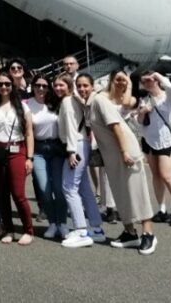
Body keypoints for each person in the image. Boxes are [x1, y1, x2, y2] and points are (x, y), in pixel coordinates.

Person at [89, 81, 157, 255]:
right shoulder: (89, 103)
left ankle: (148, 233)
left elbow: (116, 126)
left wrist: (124, 151)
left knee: (136, 191)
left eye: (85, 86)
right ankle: (129, 233)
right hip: (112, 155)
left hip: (125, 150)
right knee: (120, 193)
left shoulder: (99, 100)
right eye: (78, 86)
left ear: (92, 87)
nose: (81, 89)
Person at [0, 70, 34, 245]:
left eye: (7, 84)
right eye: (0, 84)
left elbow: (29, 134)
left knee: (18, 194)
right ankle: (9, 229)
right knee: (2, 193)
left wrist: (30, 158)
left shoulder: (22, 106)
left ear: (13, 86)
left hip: (17, 150)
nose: (4, 87)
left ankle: (28, 230)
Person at [58, 72, 105, 248]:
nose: (58, 87)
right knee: (84, 188)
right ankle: (97, 227)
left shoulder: (67, 102)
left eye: (62, 84)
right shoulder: (77, 101)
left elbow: (70, 128)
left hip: (75, 145)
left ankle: (81, 229)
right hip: (82, 143)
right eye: (56, 85)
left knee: (69, 187)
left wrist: (70, 151)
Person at [137, 71, 171, 225]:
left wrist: (156, 74)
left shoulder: (168, 98)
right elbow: (139, 121)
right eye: (143, 81)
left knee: (167, 176)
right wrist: (143, 111)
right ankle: (162, 209)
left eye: (149, 80)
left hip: (166, 141)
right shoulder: (144, 100)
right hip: (148, 140)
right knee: (156, 176)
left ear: (157, 80)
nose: (146, 83)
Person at [26, 73, 68, 240]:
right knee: (44, 188)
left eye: (44, 86)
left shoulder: (56, 102)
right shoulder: (27, 104)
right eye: (38, 85)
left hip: (57, 148)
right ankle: (52, 223)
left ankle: (62, 223)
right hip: (38, 149)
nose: (41, 89)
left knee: (59, 188)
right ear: (33, 87)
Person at [97, 70, 137, 224]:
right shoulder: (104, 97)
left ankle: (126, 207)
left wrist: (130, 83)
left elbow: (126, 103)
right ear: (111, 80)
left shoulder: (130, 98)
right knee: (107, 175)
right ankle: (110, 207)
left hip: (126, 138)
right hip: (108, 138)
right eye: (117, 79)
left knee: (128, 174)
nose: (120, 82)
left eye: (123, 79)